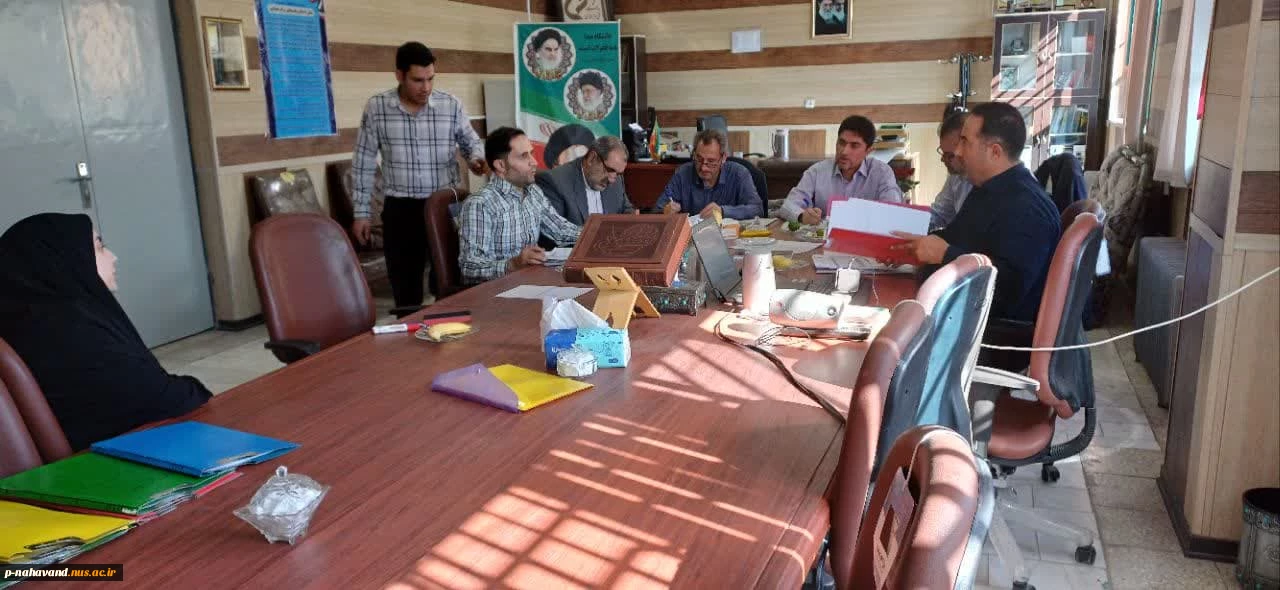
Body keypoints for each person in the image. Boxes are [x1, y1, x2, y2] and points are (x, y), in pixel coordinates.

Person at [0, 213, 212, 451]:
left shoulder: (29, 324)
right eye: (100, 248)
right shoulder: (75, 336)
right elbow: (171, 399)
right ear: (64, 260)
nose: (113, 257)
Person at [890, 102, 1060, 324]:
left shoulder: (1027, 207)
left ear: (995, 152)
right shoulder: (987, 189)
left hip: (992, 329)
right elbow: (955, 237)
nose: (958, 152)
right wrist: (911, 248)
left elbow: (1008, 292)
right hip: (959, 307)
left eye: (965, 142)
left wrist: (945, 255)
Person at [350, 41, 485, 310]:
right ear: (399, 75)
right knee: (405, 287)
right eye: (417, 80)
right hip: (401, 209)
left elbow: (471, 143)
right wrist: (361, 213)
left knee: (449, 282)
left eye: (431, 79)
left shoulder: (450, 105)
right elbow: (363, 161)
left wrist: (476, 159)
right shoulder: (377, 108)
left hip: (445, 206)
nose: (426, 87)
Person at [458, 127, 582, 285]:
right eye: (524, 156)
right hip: (497, 290)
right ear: (501, 165)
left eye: (531, 153)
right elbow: (469, 267)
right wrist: (513, 264)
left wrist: (597, 235)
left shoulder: (533, 191)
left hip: (531, 282)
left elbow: (560, 229)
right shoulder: (481, 204)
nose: (534, 162)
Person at [778, 115, 903, 224]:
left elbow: (892, 211)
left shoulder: (881, 173)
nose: (844, 151)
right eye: (841, 143)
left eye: (854, 145)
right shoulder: (817, 171)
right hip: (824, 240)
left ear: (868, 151)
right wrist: (801, 216)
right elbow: (789, 205)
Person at [656, 128, 763, 220]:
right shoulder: (683, 173)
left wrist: (723, 211)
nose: (703, 167)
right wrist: (665, 212)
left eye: (711, 161)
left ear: (723, 158)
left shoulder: (739, 174)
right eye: (699, 159)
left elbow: (757, 210)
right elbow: (656, 210)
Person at [537, 136, 635, 226]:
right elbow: (556, 231)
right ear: (592, 158)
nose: (612, 180)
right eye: (610, 170)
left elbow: (626, 211)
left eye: (618, 173)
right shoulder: (555, 182)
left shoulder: (617, 180)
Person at [929, 112, 975, 231]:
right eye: (943, 153)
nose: (943, 160)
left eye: (949, 155)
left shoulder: (1001, 186)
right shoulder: (956, 176)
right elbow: (939, 213)